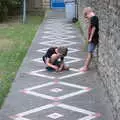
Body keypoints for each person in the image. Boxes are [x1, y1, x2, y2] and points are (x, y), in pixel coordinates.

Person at [80, 7, 99, 72]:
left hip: (93, 39)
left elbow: (94, 28)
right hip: (93, 39)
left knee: (89, 53)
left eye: (86, 16)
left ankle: (85, 67)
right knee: (90, 53)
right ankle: (86, 66)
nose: (87, 18)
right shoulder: (94, 18)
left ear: (88, 13)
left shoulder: (94, 18)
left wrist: (90, 38)